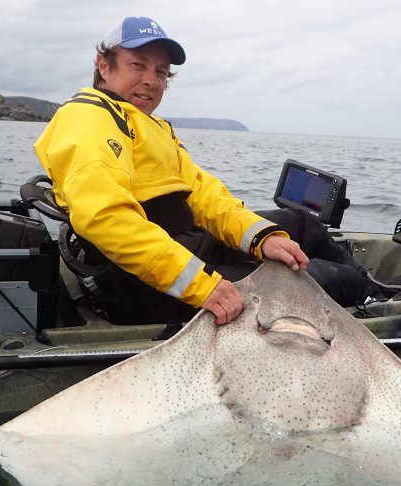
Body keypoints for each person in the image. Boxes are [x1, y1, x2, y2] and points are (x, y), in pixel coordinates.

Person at [34, 16, 370, 325]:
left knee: (303, 225)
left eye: (161, 72)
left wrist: (260, 237)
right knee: (324, 279)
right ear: (103, 65)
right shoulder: (89, 118)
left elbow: (205, 196)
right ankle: (369, 299)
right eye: (138, 66)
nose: (151, 81)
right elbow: (107, 219)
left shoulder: (148, 126)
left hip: (186, 245)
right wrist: (202, 286)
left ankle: (367, 290)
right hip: (146, 284)